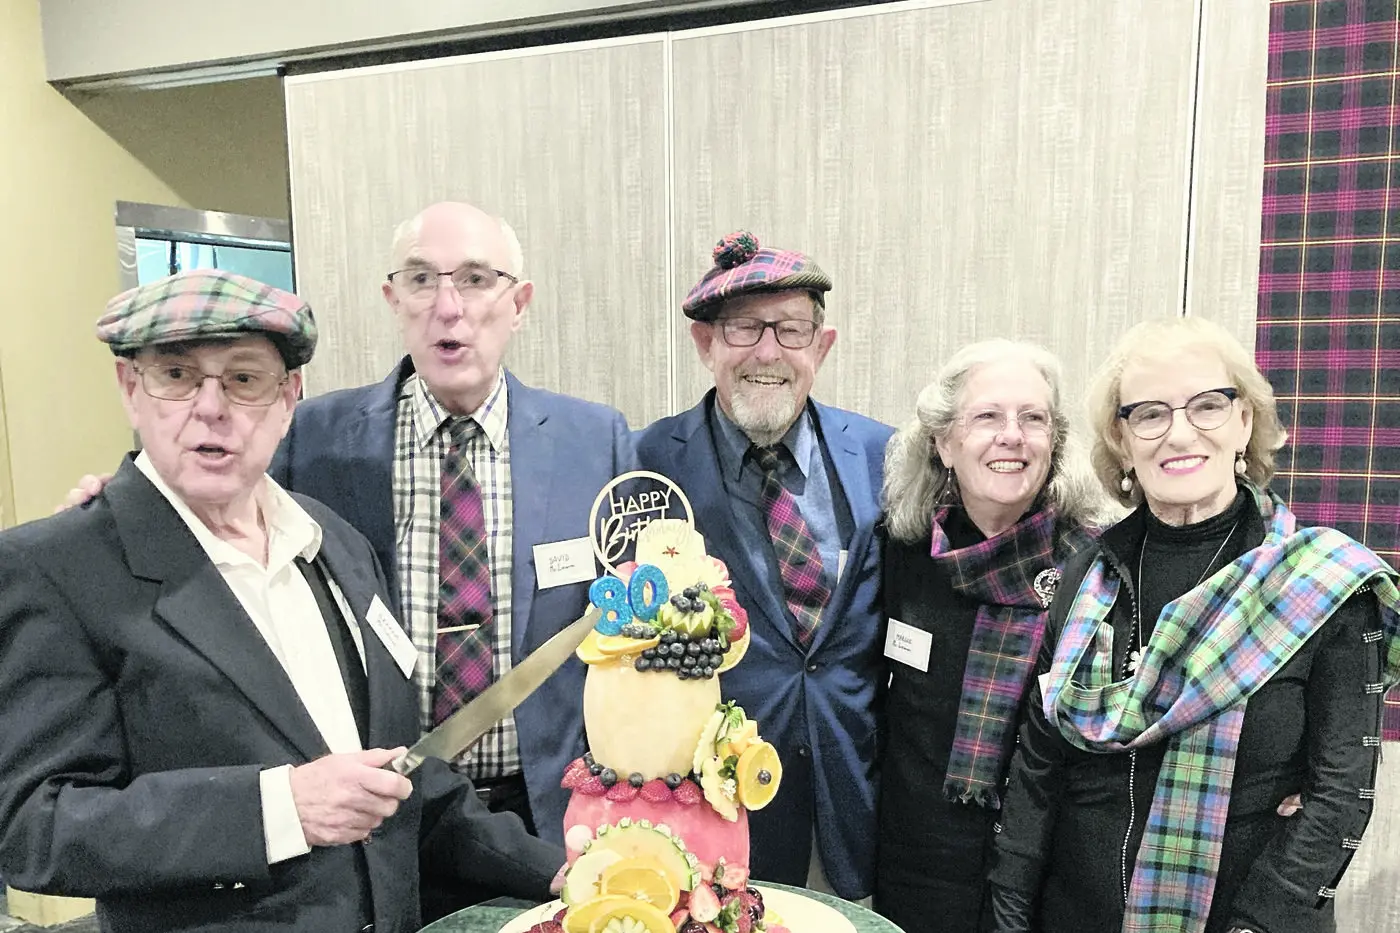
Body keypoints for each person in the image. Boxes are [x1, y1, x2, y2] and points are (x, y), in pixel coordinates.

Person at [62, 202, 636, 921]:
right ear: (394, 300)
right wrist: (125, 500)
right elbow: (205, 507)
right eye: (422, 280)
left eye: (477, 279)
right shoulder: (314, 436)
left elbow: (628, 626)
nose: (448, 308)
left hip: (540, 811)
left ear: (517, 302)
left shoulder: (597, 439)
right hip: (343, 838)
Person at [989, 317, 1400, 933]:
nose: (1179, 433)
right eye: (1148, 414)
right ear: (1122, 442)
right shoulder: (1085, 577)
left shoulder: (1322, 582)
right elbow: (1036, 776)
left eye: (1208, 406)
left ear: (1245, 423)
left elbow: (1338, 799)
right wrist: (1009, 917)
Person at [633, 231, 893, 900]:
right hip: (710, 819)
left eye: (792, 329)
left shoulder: (879, 453)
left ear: (822, 346)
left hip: (852, 806)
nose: (769, 352)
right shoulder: (645, 464)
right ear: (706, 344)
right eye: (745, 328)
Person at [874, 339, 1105, 933]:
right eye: (987, 417)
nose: (1013, 435)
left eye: (1034, 418)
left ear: (1054, 444)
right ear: (944, 443)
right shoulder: (901, 552)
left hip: (1046, 877)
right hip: (916, 871)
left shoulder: (1095, 569)